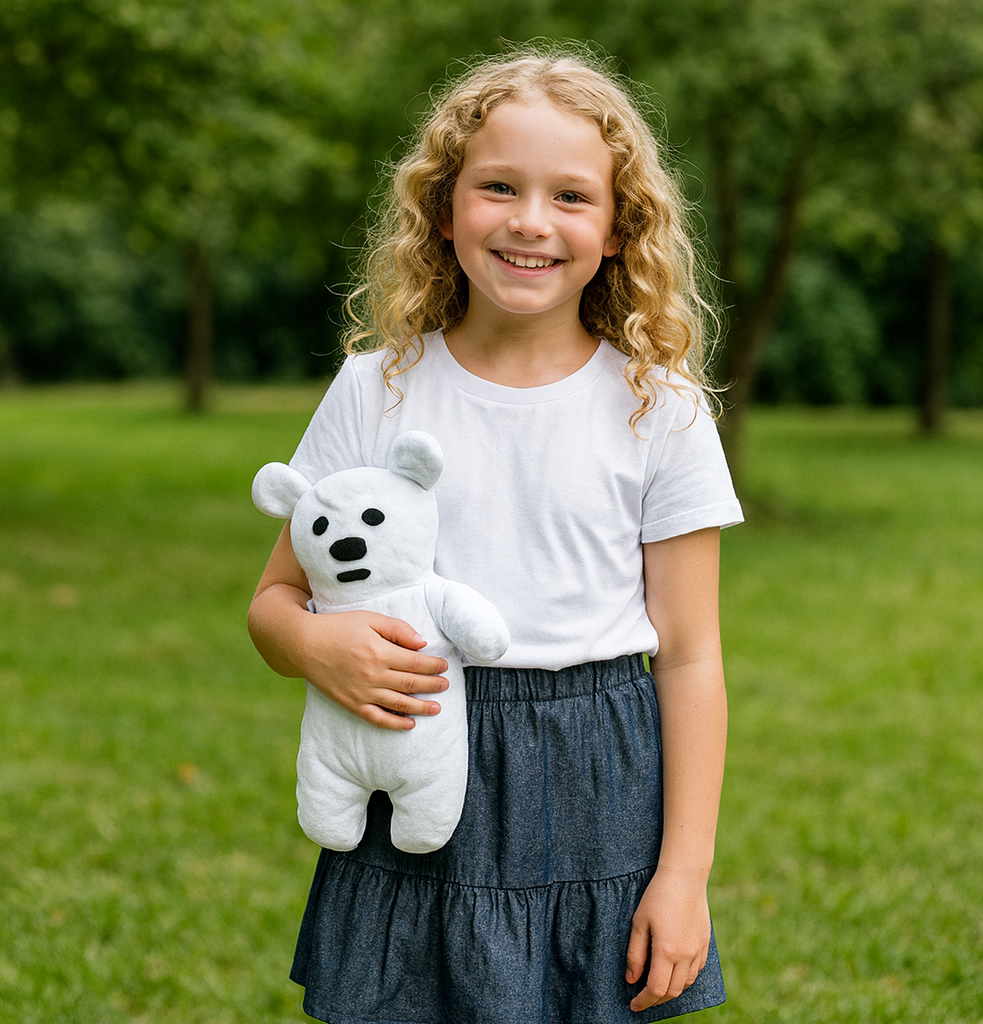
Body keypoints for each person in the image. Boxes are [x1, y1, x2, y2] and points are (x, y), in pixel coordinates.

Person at [248, 45, 743, 1024]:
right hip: (418, 759)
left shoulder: (661, 408)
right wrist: (312, 643)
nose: (529, 220)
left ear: (616, 231)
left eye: (570, 197)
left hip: (594, 784)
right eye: (498, 187)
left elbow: (689, 656)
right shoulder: (375, 389)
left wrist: (683, 873)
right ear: (443, 208)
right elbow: (273, 601)